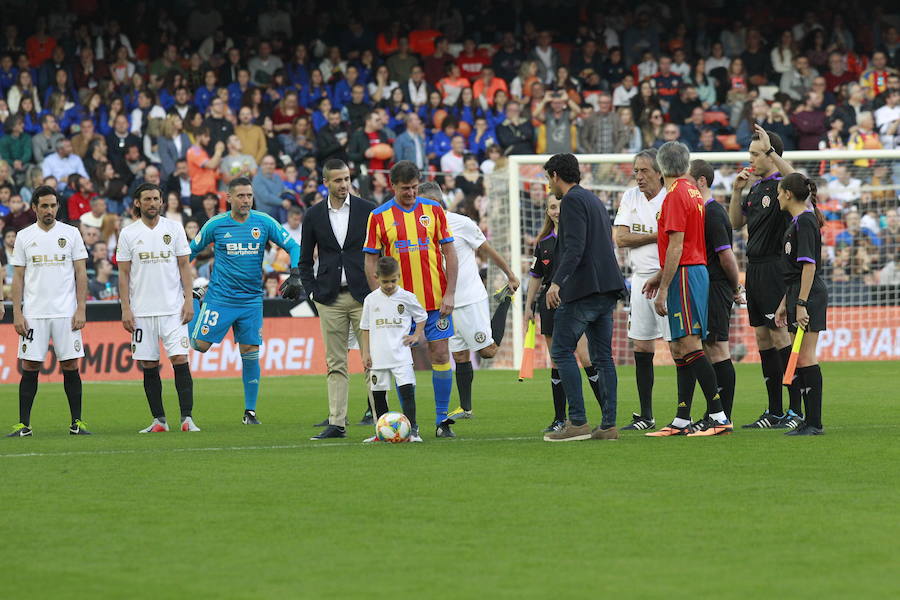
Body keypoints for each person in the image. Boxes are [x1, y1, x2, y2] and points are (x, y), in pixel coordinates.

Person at [188, 177, 301, 425]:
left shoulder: (264, 222)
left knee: (250, 351)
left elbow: (294, 246)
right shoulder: (216, 224)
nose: (246, 200)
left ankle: (250, 412)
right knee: (199, 345)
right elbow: (190, 252)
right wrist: (180, 281)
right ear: (228, 198)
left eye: (249, 195)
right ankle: (196, 300)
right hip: (220, 298)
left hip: (251, 300)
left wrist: (295, 273)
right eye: (240, 196)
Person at [642, 142, 732, 437]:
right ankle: (682, 419)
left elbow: (678, 245)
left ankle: (718, 416)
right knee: (680, 345)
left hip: (685, 274)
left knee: (691, 344)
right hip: (690, 271)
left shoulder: (675, 195)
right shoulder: (692, 192)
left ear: (660, 166)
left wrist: (664, 287)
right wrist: (661, 276)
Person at [364, 161, 459, 438]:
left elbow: (450, 253)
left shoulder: (433, 211)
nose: (411, 193)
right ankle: (405, 424)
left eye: (415, 187)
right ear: (393, 185)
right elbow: (370, 261)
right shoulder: (379, 216)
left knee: (441, 353)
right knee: (396, 362)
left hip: (435, 300)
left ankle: (442, 421)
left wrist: (450, 292)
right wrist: (379, 298)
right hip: (398, 307)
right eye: (405, 188)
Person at [417, 181, 519, 420]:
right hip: (444, 303)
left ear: (434, 203)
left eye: (421, 203)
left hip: (469, 298)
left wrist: (510, 275)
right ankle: (466, 408)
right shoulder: (421, 228)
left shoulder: (461, 223)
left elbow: (487, 250)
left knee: (488, 351)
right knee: (460, 355)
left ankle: (503, 301)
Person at [542, 153, 624, 442]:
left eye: (548, 178)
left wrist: (556, 283)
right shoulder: (593, 200)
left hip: (584, 289)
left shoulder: (573, 201)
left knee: (562, 350)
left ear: (555, 175)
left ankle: (576, 422)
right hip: (607, 287)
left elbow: (575, 248)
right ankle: (609, 425)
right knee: (603, 357)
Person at [728, 126, 804, 430]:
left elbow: (798, 179)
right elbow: (735, 223)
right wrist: (736, 192)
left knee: (780, 334)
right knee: (762, 337)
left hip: (775, 268)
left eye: (756, 154)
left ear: (772, 157)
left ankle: (794, 408)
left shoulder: (785, 188)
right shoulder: (756, 188)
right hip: (754, 268)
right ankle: (774, 410)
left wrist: (771, 149)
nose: (751, 160)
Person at [298, 159, 376, 440]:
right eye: (338, 180)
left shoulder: (369, 210)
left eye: (347, 179)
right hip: (329, 299)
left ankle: (381, 420)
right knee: (335, 363)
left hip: (364, 297)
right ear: (326, 183)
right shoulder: (313, 215)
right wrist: (312, 292)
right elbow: (304, 260)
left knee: (373, 360)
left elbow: (381, 251)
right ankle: (337, 423)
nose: (344, 185)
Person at [7, 186, 89, 437]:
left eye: (53, 205)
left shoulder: (71, 233)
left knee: (70, 365)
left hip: (66, 312)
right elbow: (18, 277)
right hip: (34, 313)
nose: (49, 210)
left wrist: (81, 308)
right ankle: (24, 425)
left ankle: (77, 423)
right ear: (34, 208)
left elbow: (81, 273)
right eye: (44, 206)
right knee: (30, 366)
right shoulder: (24, 236)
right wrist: (18, 313)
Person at [117, 183, 198, 433]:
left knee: (179, 359)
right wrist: (126, 309)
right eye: (147, 199)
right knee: (149, 365)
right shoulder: (128, 233)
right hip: (141, 312)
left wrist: (188, 300)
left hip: (172, 309)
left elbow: (184, 266)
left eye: (156, 198)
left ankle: (187, 419)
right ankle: (159, 420)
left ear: (161, 202)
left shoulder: (173, 228)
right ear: (138, 203)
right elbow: (123, 273)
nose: (153, 203)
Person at [612, 149, 669, 431]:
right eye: (636, 171)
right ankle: (646, 415)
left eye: (644, 171)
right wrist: (655, 236)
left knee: (682, 345)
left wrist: (645, 240)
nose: (638, 176)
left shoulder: (670, 196)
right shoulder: (630, 195)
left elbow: (677, 242)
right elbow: (620, 238)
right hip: (639, 280)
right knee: (642, 345)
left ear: (659, 172)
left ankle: (696, 412)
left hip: (669, 277)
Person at [775, 173, 828, 435]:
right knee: (802, 359)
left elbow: (809, 265)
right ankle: (808, 421)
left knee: (806, 356)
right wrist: (787, 302)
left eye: (778, 191)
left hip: (808, 294)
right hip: (797, 292)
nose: (776, 196)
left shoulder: (805, 220)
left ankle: (814, 422)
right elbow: (795, 269)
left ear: (787, 193)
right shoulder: (797, 220)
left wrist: (802, 302)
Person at [689, 160, 743, 420]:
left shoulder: (713, 213)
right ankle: (716, 413)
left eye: (688, 181)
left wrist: (735, 286)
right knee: (710, 347)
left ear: (701, 181)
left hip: (716, 286)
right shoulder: (702, 212)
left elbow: (727, 257)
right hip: (707, 286)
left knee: (718, 348)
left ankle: (723, 416)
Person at [358, 256, 427, 443]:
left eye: (393, 280)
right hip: (378, 355)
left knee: (407, 392)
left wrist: (416, 335)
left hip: (401, 354)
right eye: (385, 281)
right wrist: (365, 352)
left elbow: (422, 316)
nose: (389, 285)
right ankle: (381, 432)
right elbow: (365, 328)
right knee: (378, 394)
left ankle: (413, 431)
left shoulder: (407, 297)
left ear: (399, 276)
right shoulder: (371, 300)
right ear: (376, 277)